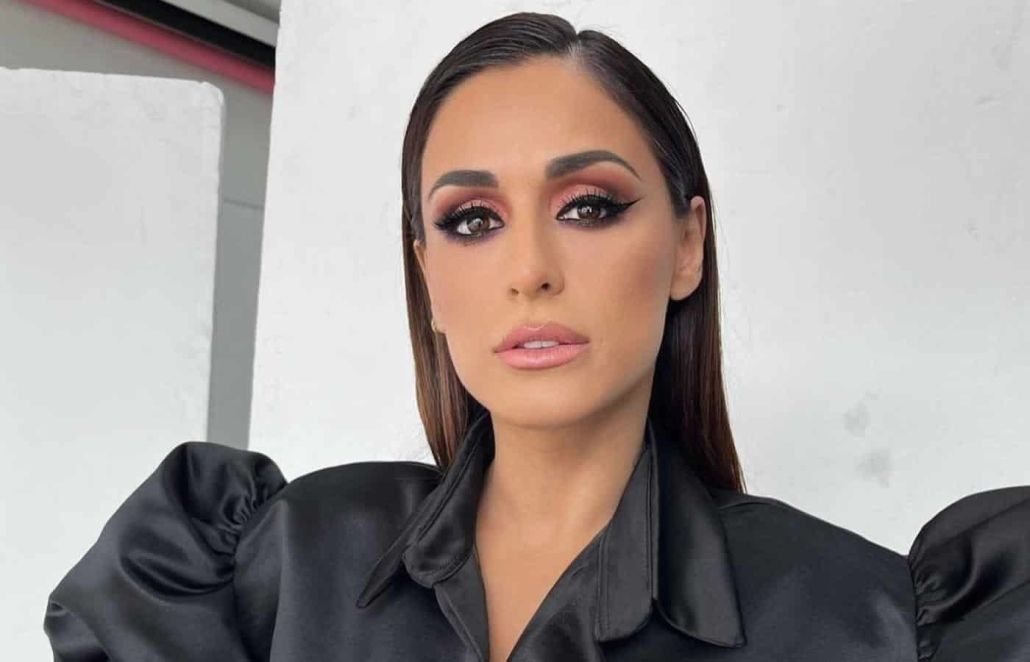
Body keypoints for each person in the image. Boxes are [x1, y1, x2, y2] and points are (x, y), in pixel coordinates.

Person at [43, 11, 1029, 662]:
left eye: (589, 205)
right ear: (428, 277)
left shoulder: (869, 618)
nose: (529, 269)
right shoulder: (272, 561)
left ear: (686, 245)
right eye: (472, 219)